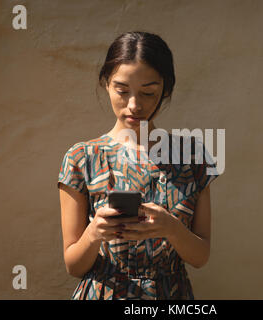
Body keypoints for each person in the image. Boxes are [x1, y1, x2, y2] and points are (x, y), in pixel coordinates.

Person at [57, 31, 220, 300]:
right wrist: (94, 233)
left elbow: (201, 257)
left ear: (165, 90)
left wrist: (171, 228)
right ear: (106, 83)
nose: (134, 105)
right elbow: (73, 265)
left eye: (148, 92)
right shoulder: (80, 158)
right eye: (122, 90)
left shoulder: (193, 157)